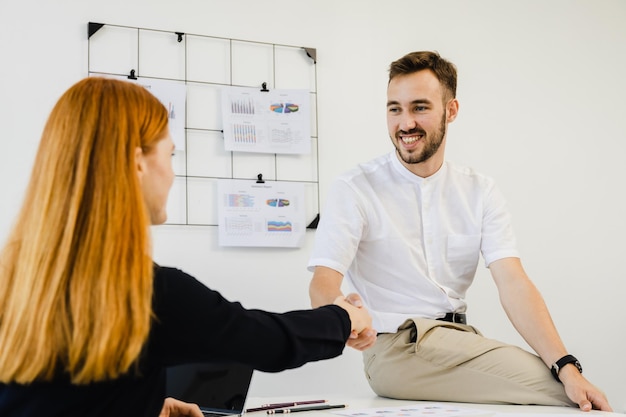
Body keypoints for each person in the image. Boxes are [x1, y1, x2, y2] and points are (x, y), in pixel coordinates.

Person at [0, 77, 372, 417]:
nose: (173, 172)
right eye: (171, 154)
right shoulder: (145, 293)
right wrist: (344, 318)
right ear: (138, 163)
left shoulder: (12, 282)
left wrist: (143, 405)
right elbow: (268, 341)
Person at [308, 51, 612, 411]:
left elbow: (513, 282)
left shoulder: (479, 190)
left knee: (564, 381)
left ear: (450, 111)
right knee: (564, 395)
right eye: (395, 109)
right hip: (397, 349)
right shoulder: (355, 187)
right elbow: (324, 281)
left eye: (419, 107)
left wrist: (565, 363)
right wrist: (342, 321)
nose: (405, 123)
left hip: (458, 341)